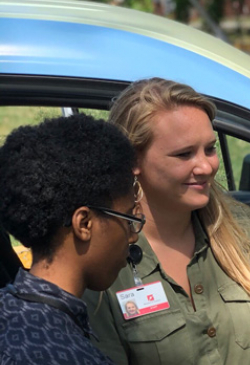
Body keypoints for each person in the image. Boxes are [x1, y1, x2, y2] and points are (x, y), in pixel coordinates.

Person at [83, 77, 250, 365]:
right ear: (132, 161)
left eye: (210, 149)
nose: (206, 166)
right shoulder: (104, 258)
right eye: (184, 154)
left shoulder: (242, 228)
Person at [0, 114, 143, 365]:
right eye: (128, 217)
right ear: (84, 224)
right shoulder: (69, 355)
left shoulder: (8, 308)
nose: (132, 236)